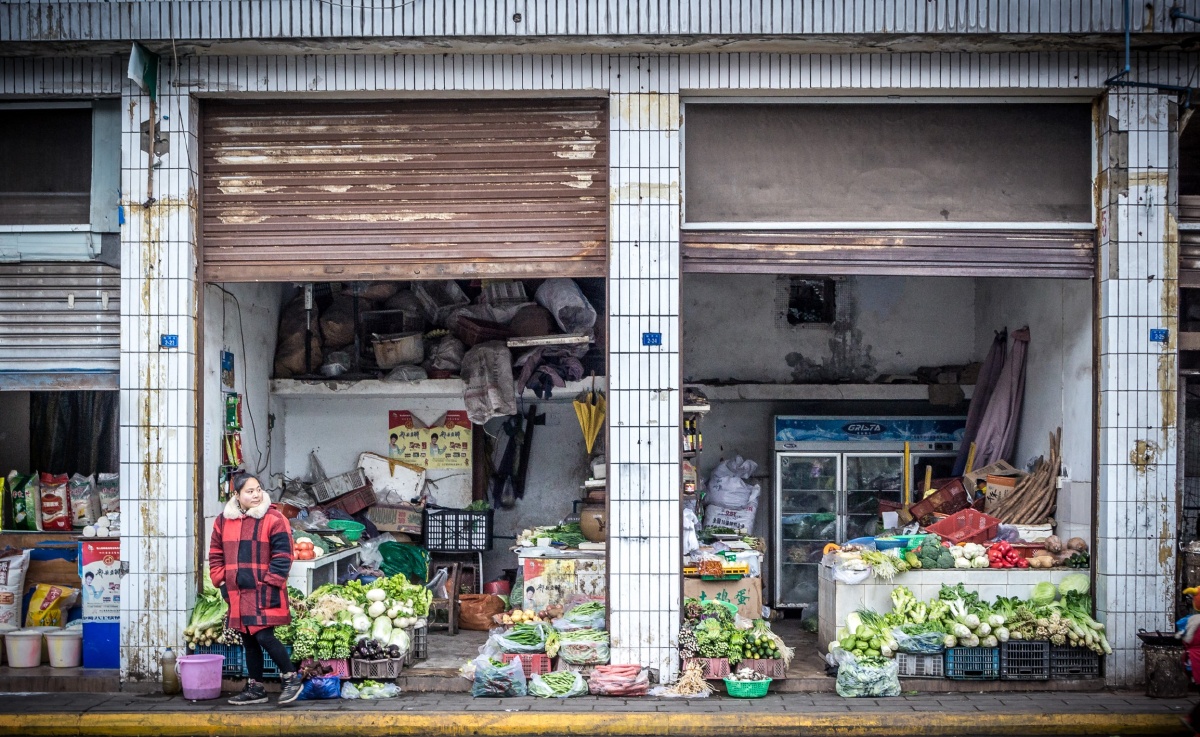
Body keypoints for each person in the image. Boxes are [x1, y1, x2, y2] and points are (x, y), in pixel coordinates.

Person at [209, 473, 302, 706]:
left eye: (258, 489)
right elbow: (215, 554)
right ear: (237, 495)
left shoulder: (274, 518)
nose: (256, 494)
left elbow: (283, 555)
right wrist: (221, 580)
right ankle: (256, 687)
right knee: (247, 639)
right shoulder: (223, 521)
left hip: (264, 588)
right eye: (250, 491)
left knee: (263, 635)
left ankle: (291, 677)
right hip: (237, 591)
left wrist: (271, 581)